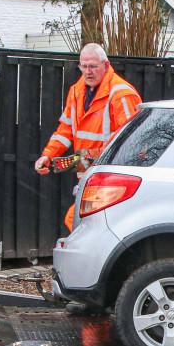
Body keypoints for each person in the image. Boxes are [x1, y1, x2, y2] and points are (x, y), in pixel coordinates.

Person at [34, 43, 142, 230]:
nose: (87, 71)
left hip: (111, 177)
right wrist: (48, 156)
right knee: (86, 225)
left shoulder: (121, 94)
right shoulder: (77, 92)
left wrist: (76, 160)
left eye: (93, 66)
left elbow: (133, 143)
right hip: (92, 173)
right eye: (83, 66)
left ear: (106, 65)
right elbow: (65, 129)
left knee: (81, 223)